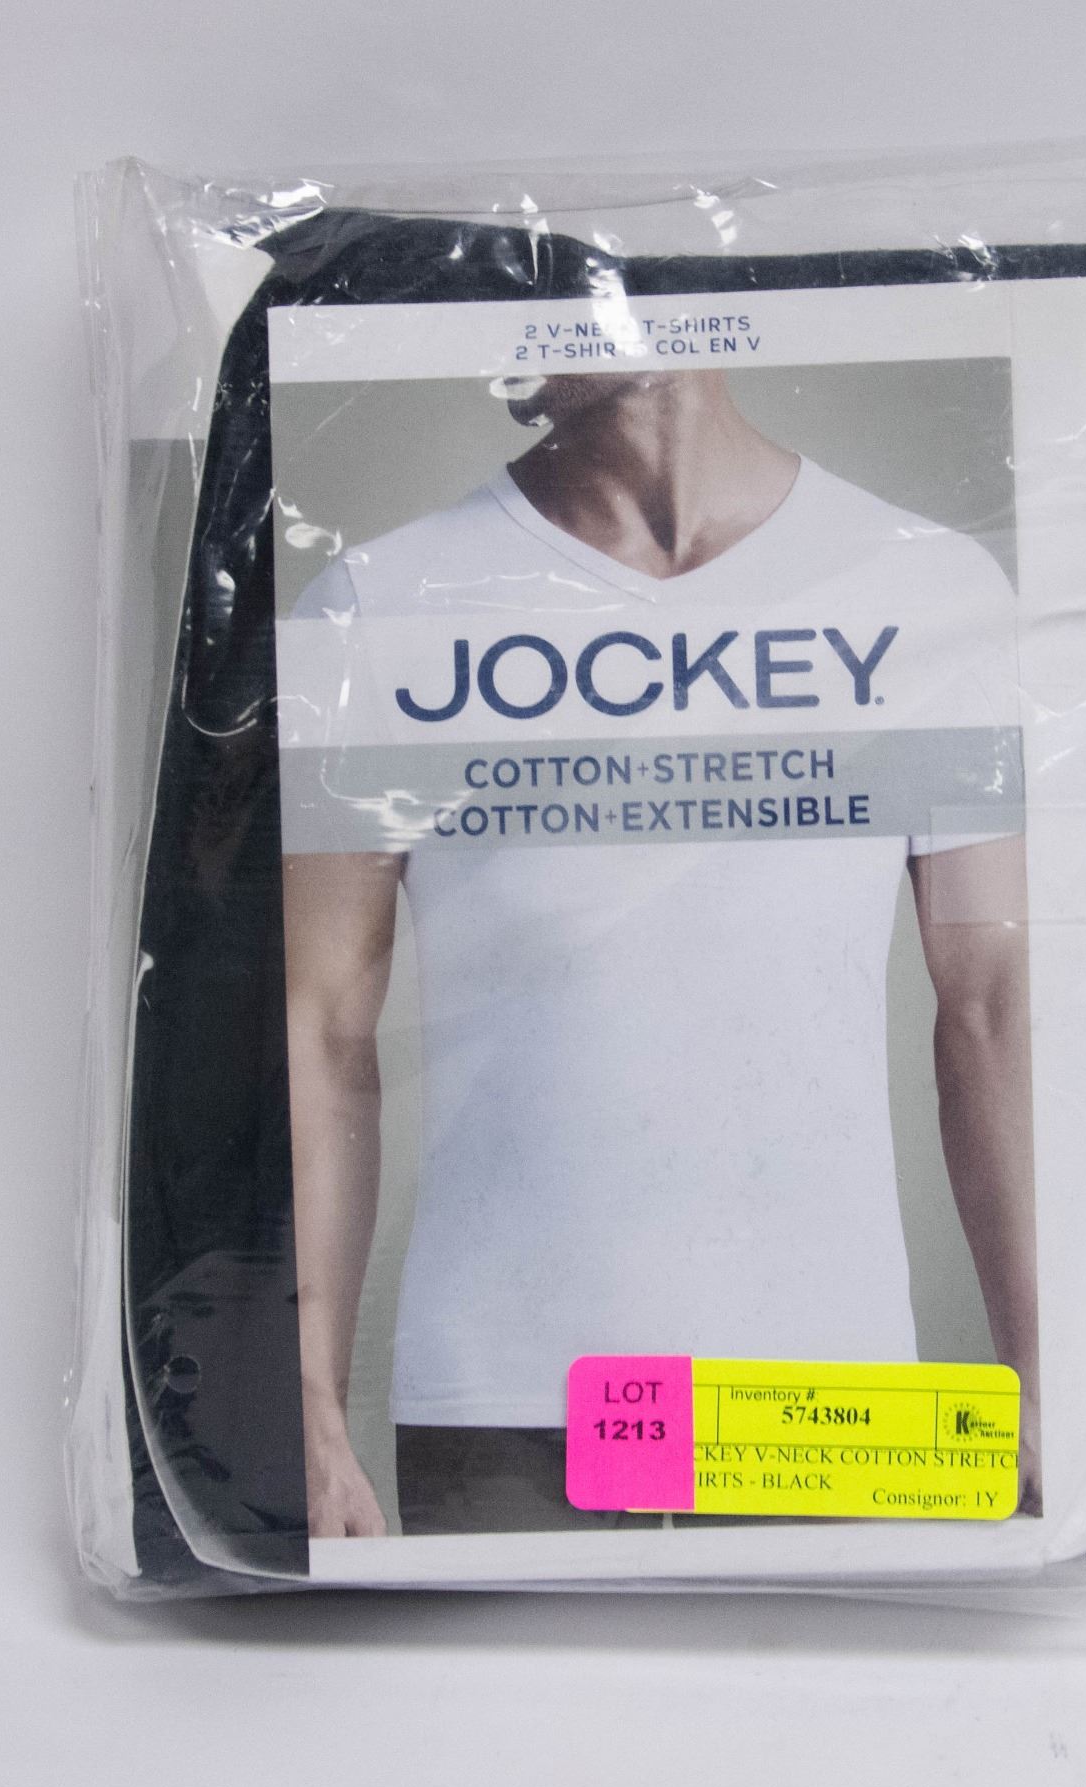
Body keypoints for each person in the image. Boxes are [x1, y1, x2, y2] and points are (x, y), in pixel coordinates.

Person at [281, 369, 1039, 1536]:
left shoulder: (924, 587)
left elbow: (993, 1003)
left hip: (830, 1401)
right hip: (503, 1405)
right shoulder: (380, 605)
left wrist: (1045, 1377)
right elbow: (320, 1023)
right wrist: (309, 1412)